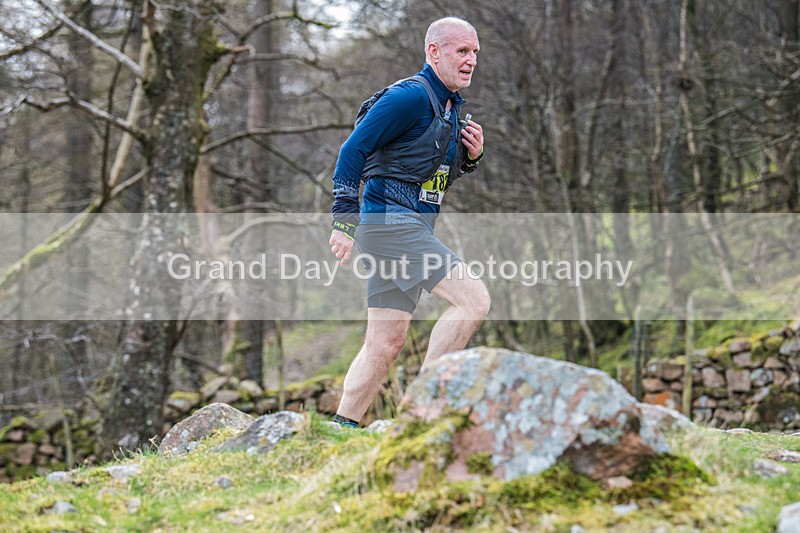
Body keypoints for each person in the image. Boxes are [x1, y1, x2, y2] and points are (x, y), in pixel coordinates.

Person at [328, 17, 490, 428]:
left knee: (385, 342)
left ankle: (340, 429)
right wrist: (343, 222)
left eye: (474, 52)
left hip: (404, 228)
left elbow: (425, 177)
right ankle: (423, 414)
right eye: (462, 51)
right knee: (473, 300)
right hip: (390, 225)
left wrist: (468, 160)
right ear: (434, 52)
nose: (471, 60)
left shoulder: (450, 109)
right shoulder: (410, 97)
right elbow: (352, 151)